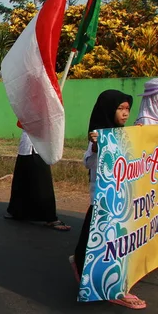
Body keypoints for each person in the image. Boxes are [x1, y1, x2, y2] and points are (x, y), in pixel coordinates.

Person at [69, 90, 146, 310]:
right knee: (105, 238)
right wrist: (96, 146)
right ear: (108, 110)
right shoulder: (98, 135)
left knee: (108, 238)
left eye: (127, 109)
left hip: (121, 198)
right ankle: (109, 286)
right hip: (103, 197)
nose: (124, 114)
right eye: (120, 109)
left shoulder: (124, 133)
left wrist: (139, 138)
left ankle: (85, 265)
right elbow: (89, 163)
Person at [4, 131, 71, 231]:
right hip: (27, 144)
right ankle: (17, 211)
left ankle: (49, 217)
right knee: (23, 179)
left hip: (40, 144)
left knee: (42, 182)